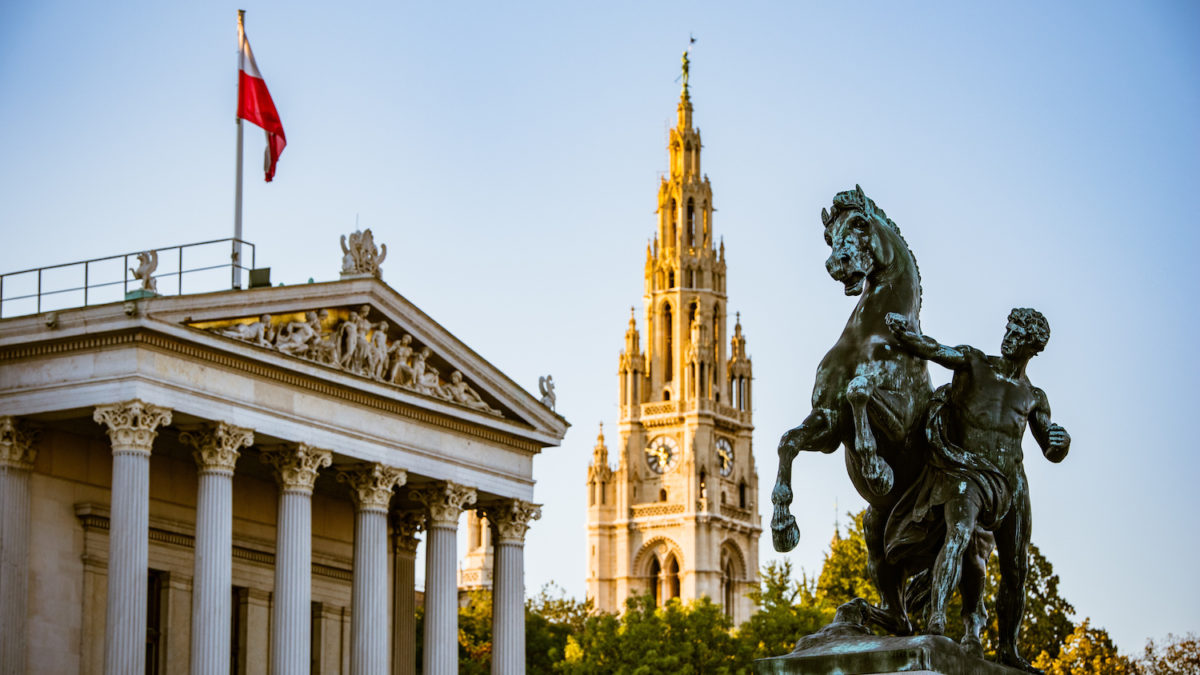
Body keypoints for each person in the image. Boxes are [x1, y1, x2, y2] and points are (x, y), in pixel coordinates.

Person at [883, 308, 1070, 673]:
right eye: (1009, 329)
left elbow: (1050, 446)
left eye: (1018, 334)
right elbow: (935, 349)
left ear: (1033, 347)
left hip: (1012, 483)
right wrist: (907, 336)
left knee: (1017, 568)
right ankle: (936, 621)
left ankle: (1008, 648)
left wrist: (1060, 444)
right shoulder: (973, 362)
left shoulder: (1034, 396)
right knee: (959, 534)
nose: (1009, 337)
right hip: (967, 472)